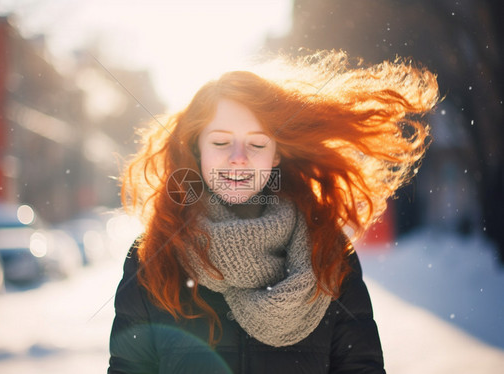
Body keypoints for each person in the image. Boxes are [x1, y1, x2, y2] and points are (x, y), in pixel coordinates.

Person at [108, 50, 439, 373]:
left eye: (257, 143)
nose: (238, 157)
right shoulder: (154, 256)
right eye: (221, 142)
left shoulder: (328, 253)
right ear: (197, 150)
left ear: (276, 155)